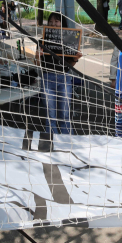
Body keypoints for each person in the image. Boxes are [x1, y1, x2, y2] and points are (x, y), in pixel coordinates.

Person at [38, 12, 82, 151]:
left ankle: (68, 145)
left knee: (64, 113)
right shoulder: (42, 40)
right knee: (50, 115)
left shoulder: (69, 40)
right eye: (51, 21)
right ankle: (51, 146)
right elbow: (37, 63)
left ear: (63, 24)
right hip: (47, 79)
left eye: (57, 21)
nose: (53, 24)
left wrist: (75, 58)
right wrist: (38, 55)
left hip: (64, 78)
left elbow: (71, 65)